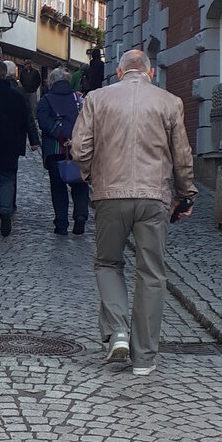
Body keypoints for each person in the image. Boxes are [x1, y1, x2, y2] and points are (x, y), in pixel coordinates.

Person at [71, 48, 194, 376]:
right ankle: (145, 359)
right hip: (154, 198)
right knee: (151, 272)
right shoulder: (169, 102)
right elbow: (181, 155)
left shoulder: (97, 99)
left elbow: (80, 147)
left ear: (119, 72)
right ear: (150, 73)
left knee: (108, 262)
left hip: (110, 196)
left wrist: (93, 177)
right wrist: (185, 195)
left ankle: (119, 331)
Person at [0, 57, 38, 237]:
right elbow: (27, 119)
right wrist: (33, 140)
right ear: (5, 75)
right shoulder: (16, 95)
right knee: (6, 180)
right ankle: (5, 210)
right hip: (9, 145)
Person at [37, 65, 89, 236]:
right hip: (78, 148)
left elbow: (43, 121)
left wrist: (59, 135)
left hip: (55, 150)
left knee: (58, 187)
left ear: (51, 82)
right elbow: (88, 121)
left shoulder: (46, 99)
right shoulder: (79, 98)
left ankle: (61, 224)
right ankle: (80, 215)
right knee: (79, 184)